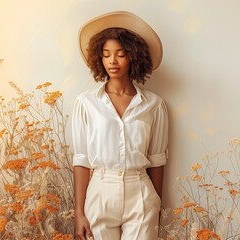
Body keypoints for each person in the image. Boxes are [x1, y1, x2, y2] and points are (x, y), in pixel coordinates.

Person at [72, 11, 168, 240]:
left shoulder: (154, 105)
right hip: (100, 190)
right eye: (106, 55)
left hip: (140, 192)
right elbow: (81, 160)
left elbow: (157, 160)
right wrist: (78, 213)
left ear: (134, 56)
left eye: (120, 54)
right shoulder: (86, 103)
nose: (112, 61)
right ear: (99, 58)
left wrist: (157, 206)